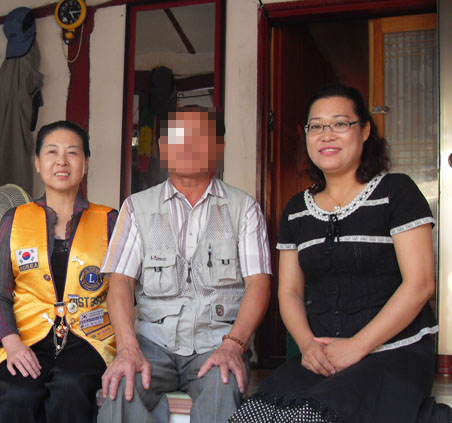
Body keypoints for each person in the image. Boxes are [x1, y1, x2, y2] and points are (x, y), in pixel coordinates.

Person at [230, 85, 452, 423]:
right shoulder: (296, 210)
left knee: (315, 416)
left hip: (393, 352)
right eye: (316, 126)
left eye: (339, 123)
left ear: (364, 131)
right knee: (254, 416)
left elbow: (420, 284)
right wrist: (307, 345)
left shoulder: (396, 192)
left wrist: (358, 346)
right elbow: (289, 292)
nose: (326, 135)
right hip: (324, 357)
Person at [98, 106, 272, 423]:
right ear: (163, 147)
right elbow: (120, 282)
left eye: (200, 137)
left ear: (218, 146)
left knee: (223, 386)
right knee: (121, 388)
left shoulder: (244, 208)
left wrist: (233, 346)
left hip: (217, 343)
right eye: (178, 137)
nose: (188, 145)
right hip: (151, 343)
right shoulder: (136, 207)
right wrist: (127, 348)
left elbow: (258, 285)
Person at [0, 120, 118, 423]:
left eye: (72, 152)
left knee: (71, 386)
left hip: (90, 338)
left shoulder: (109, 220)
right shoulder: (14, 220)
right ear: (37, 162)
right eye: (51, 152)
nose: (62, 161)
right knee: (18, 394)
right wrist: (11, 342)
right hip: (27, 338)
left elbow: (123, 291)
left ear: (86, 163)